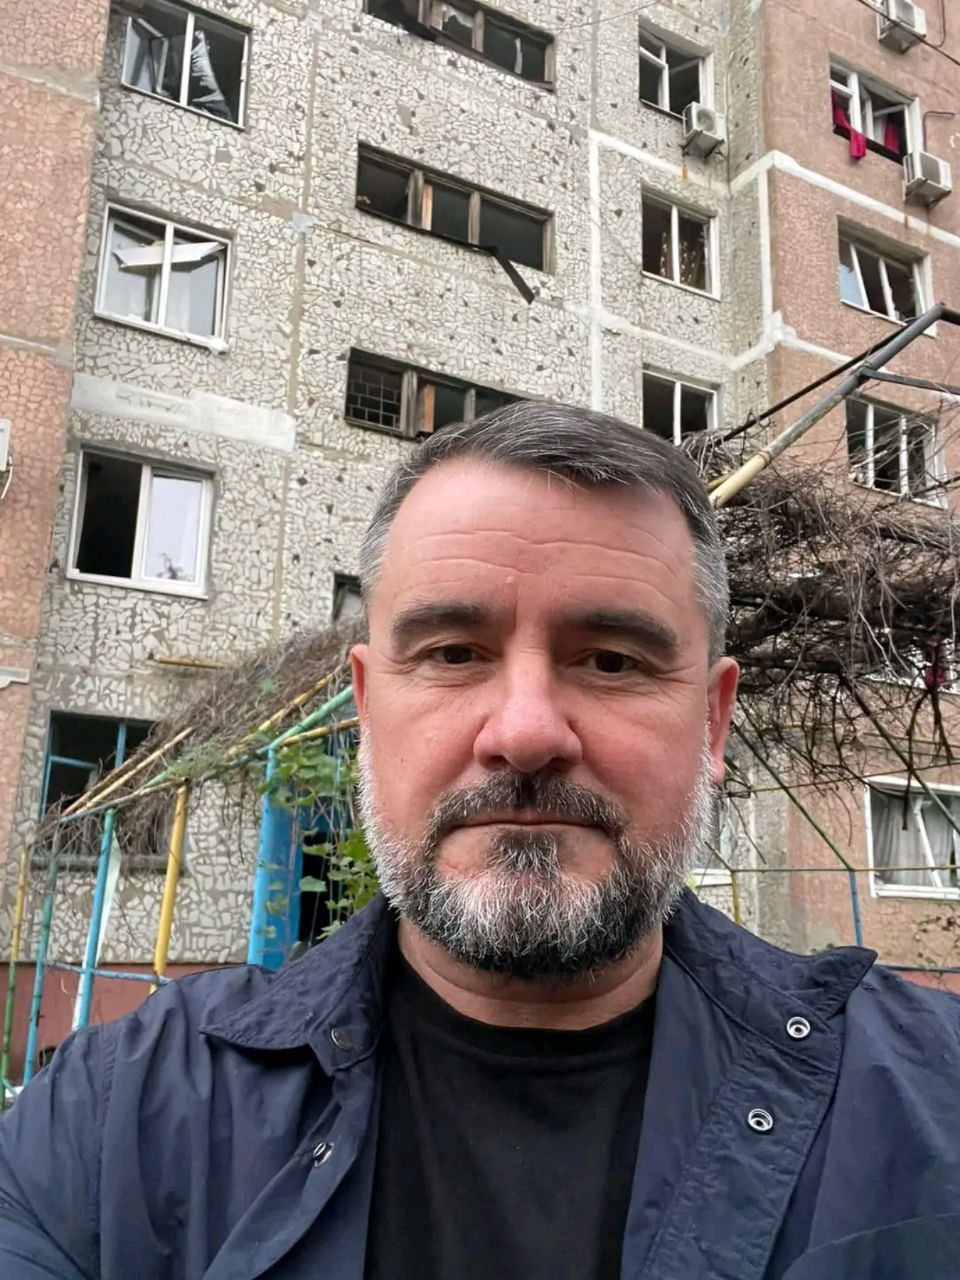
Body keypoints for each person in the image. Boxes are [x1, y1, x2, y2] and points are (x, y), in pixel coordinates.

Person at [1, 402, 958, 1280]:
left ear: (711, 723)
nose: (526, 732)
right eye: (454, 653)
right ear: (367, 709)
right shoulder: (115, 1124)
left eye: (611, 660)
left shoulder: (932, 1102)